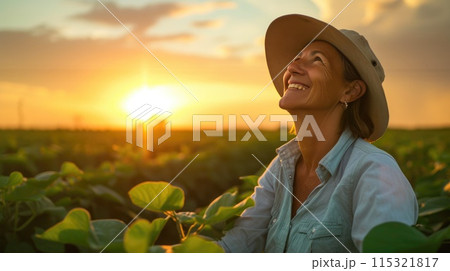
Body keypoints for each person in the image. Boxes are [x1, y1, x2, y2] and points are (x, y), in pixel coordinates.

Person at [217, 14, 418, 253]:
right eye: (297, 58)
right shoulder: (281, 167)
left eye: (318, 60)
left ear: (351, 91)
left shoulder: (375, 172)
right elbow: (237, 244)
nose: (292, 67)